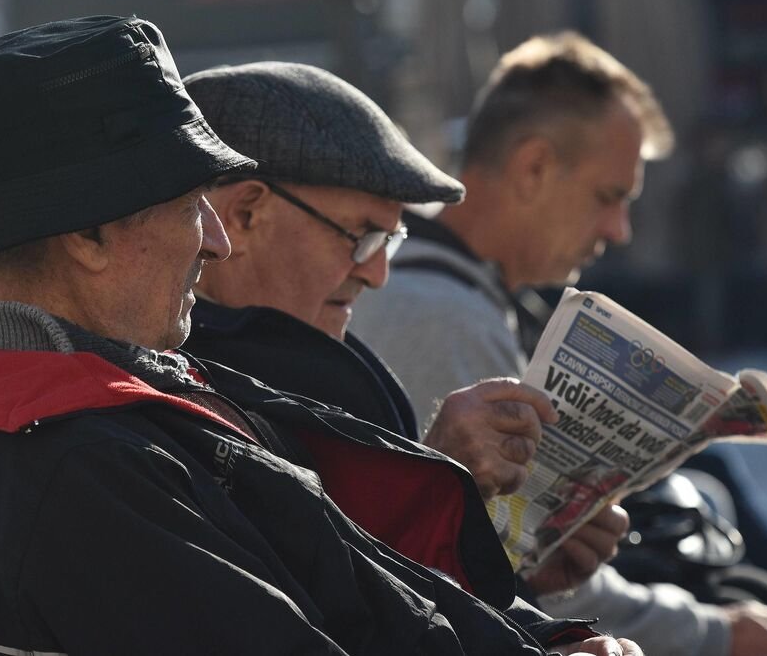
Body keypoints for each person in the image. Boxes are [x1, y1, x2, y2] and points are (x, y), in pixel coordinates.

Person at [0, 16, 636, 656]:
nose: (217, 240)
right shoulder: (75, 461)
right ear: (87, 233)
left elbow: (361, 588)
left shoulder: (112, 407)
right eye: (192, 204)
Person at [350, 31, 767, 656]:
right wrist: (723, 632)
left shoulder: (459, 290)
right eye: (607, 198)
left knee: (707, 474)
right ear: (533, 167)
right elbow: (517, 594)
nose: (618, 230)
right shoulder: (443, 316)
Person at [181, 61, 631, 607]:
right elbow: (312, 612)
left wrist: (523, 581)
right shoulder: (182, 393)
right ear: (244, 215)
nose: (377, 274)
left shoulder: (280, 364)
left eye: (389, 241)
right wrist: (436, 479)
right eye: (363, 236)